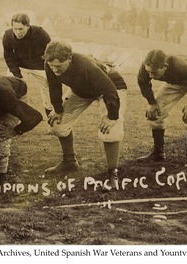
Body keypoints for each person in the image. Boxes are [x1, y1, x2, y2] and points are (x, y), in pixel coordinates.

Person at [42, 41, 129, 191]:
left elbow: (109, 90)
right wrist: (57, 108)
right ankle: (69, 161)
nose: (55, 69)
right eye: (52, 66)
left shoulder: (86, 66)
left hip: (111, 88)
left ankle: (112, 173)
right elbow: (54, 85)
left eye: (59, 65)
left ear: (69, 58)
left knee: (110, 130)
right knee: (57, 124)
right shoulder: (49, 64)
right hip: (81, 90)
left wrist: (112, 116)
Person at [137, 49, 187, 168]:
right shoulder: (146, 66)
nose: (151, 76)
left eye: (155, 73)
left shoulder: (181, 67)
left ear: (165, 66)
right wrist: (152, 102)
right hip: (175, 81)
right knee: (156, 113)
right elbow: (143, 82)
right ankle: (158, 152)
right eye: (149, 72)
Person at [2, 13, 53, 116]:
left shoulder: (40, 33)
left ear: (28, 26)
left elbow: (50, 52)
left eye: (20, 29)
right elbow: (9, 57)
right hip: (20, 66)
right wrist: (17, 74)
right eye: (15, 29)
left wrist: (48, 68)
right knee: (10, 89)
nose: (17, 32)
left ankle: (52, 121)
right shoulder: (7, 36)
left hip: (40, 66)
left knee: (50, 91)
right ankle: (14, 118)